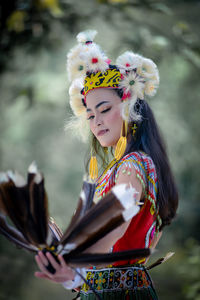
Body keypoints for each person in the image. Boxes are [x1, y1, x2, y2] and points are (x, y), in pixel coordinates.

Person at [34, 30, 179, 300]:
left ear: (129, 107)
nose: (96, 121)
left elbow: (115, 227)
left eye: (104, 109)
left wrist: (72, 265)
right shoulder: (122, 167)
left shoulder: (133, 165)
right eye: (90, 114)